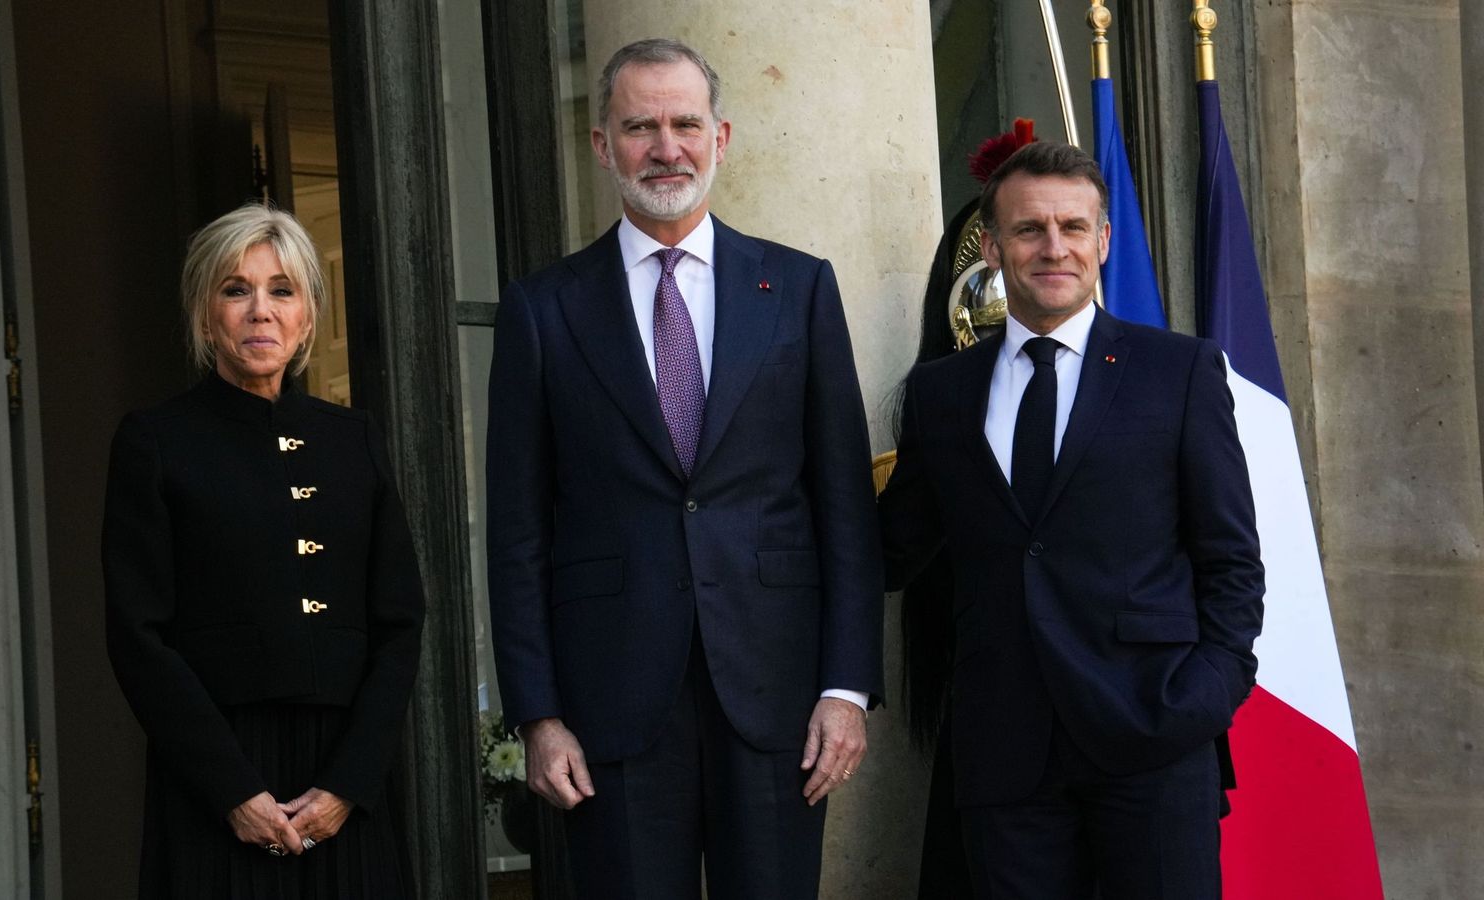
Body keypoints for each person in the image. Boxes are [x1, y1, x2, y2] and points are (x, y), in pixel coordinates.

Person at [486, 37, 883, 900]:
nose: (666, 147)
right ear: (601, 145)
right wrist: (538, 715)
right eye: (640, 126)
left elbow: (846, 506)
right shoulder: (542, 310)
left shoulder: (801, 288)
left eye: (684, 124)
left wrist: (847, 687)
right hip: (610, 708)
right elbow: (517, 529)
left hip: (778, 698)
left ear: (722, 137)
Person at [878, 141, 1264, 899]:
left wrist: (1207, 692)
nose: (1053, 247)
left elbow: (1232, 560)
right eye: (1029, 230)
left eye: (1073, 227)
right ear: (991, 246)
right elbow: (890, 551)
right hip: (1003, 753)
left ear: (1103, 240)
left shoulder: (1179, 372)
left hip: (1152, 740)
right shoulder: (941, 392)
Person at [102, 203, 425, 898]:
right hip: (216, 780)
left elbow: (400, 622)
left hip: (344, 779)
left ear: (307, 315)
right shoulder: (157, 441)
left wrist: (348, 784)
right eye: (235, 289)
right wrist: (232, 790)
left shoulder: (354, 439)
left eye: (282, 290)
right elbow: (138, 635)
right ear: (204, 312)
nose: (260, 311)